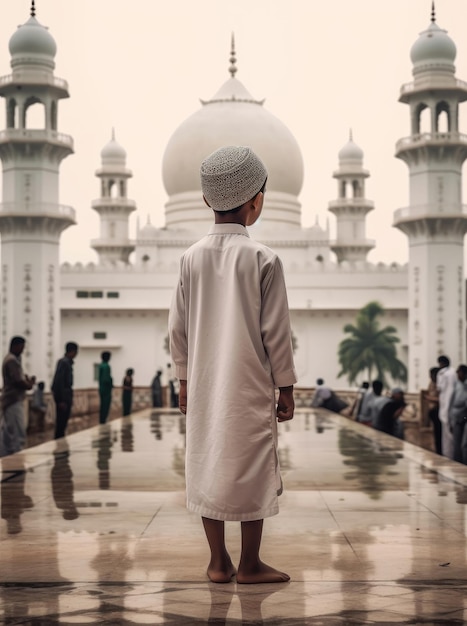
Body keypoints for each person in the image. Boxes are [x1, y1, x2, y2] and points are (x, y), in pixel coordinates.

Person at [169, 145, 296, 584]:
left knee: (207, 461)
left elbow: (178, 329)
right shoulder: (263, 258)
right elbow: (275, 332)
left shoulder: (190, 258)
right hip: (249, 383)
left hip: (205, 383)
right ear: (256, 200)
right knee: (253, 464)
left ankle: (217, 561)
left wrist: (183, 381)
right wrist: (287, 387)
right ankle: (251, 564)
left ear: (207, 201)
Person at [0, 336, 35, 457]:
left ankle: (5, 456)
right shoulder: (12, 361)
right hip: (13, 400)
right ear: (15, 346)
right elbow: (18, 381)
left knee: (7, 433)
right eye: (21, 347)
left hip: (8, 400)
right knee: (17, 432)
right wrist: (29, 384)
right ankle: (16, 457)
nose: (22, 350)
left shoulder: (11, 359)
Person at [51, 342, 78, 439]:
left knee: (63, 423)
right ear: (73, 351)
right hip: (64, 397)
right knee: (61, 423)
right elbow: (59, 382)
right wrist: (60, 400)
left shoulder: (67, 363)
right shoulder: (64, 363)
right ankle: (58, 443)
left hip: (66, 396)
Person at [437, 355, 457, 459]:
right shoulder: (454, 372)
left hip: (445, 404)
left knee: (446, 434)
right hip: (453, 404)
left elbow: (439, 387)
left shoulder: (442, 373)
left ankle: (447, 455)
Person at [448, 364, 467, 464]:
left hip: (464, 416)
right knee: (457, 442)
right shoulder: (456, 385)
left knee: (464, 444)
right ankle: (457, 462)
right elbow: (451, 403)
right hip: (456, 416)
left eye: (459, 372)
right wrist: (450, 420)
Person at [424, 367, 441, 455]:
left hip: (439, 410)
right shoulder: (431, 383)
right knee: (435, 434)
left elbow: (441, 399)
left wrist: (428, 398)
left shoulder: (440, 384)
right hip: (432, 410)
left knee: (439, 434)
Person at [98, 351, 113, 424]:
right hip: (106, 390)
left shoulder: (101, 365)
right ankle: (103, 421)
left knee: (103, 405)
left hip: (102, 389)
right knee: (105, 406)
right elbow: (106, 379)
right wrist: (111, 384)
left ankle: (102, 420)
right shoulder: (106, 366)